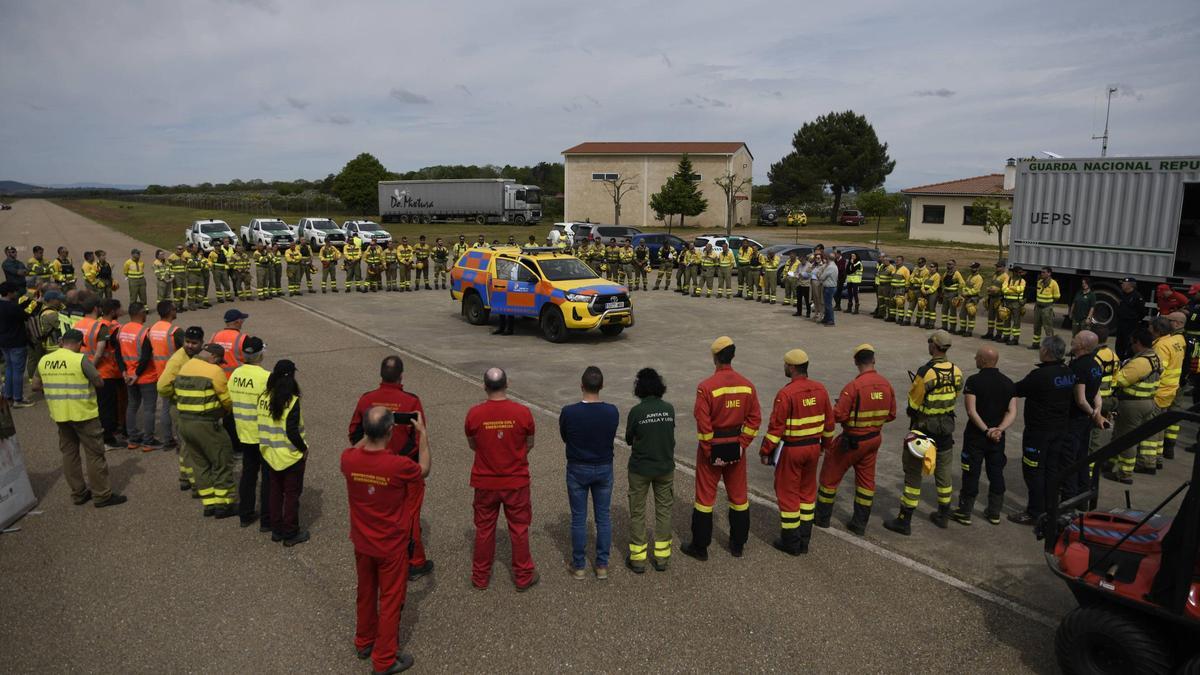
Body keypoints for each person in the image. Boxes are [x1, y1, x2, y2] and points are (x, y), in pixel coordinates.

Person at [342, 405, 429, 675]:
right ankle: (384, 659)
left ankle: (364, 640)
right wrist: (422, 435)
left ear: (366, 431)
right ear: (391, 431)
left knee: (366, 592)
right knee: (391, 600)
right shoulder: (399, 466)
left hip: (362, 540)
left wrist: (371, 431)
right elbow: (424, 469)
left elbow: (358, 446)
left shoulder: (348, 459)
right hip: (391, 544)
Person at [348, 356, 433, 579]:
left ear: (380, 375)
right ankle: (415, 561)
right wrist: (398, 459)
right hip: (404, 471)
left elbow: (354, 432)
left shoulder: (367, 400)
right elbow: (418, 438)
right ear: (401, 376)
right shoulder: (411, 401)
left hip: (372, 468)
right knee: (410, 515)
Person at [682, 336, 761, 560]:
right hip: (736, 449)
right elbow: (755, 419)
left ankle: (700, 547)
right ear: (732, 356)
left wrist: (710, 451)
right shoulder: (747, 386)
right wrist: (741, 445)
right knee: (738, 497)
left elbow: (703, 422)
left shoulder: (706, 387)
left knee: (705, 500)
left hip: (712, 451)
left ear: (715, 357)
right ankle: (737, 545)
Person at [33, 329, 127, 507]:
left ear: (62, 342)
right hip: (84, 414)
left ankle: (78, 493)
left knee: (70, 455)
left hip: (60, 415)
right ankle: (102, 495)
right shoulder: (79, 359)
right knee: (94, 455)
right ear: (77, 344)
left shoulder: (44, 360)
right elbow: (99, 381)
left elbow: (36, 386)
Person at [884, 330, 963, 535]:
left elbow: (913, 402)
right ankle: (943, 514)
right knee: (944, 473)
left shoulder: (926, 372)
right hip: (946, 428)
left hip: (924, 430)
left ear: (934, 346)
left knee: (913, 474)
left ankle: (905, 519)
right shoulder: (957, 371)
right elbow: (956, 393)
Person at [465, 368, 538, 591]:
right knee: (519, 528)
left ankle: (480, 577)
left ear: (484, 386)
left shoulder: (474, 414)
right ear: (508, 384)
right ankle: (523, 575)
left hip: (485, 481)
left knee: (484, 529)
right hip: (515, 480)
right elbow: (529, 443)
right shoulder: (523, 413)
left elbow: (473, 445)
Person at [757, 349, 834, 555]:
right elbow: (829, 424)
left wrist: (765, 451)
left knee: (788, 494)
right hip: (813, 448)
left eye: (785, 365)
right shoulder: (821, 389)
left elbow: (776, 429)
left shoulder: (786, 394)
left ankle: (791, 542)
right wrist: (824, 447)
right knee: (807, 494)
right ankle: (804, 540)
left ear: (791, 368)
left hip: (792, 451)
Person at [816, 344, 896, 535]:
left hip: (852, 441)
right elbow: (891, 414)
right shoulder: (886, 385)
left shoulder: (853, 387)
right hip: (874, 440)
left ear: (856, 362)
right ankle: (859, 523)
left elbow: (838, 416)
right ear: (873, 360)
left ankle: (822, 518)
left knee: (829, 477)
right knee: (866, 482)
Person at [559, 366, 619, 579]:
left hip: (577, 467)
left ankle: (579, 566)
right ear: (601, 386)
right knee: (603, 517)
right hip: (603, 466)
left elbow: (565, 435)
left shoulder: (569, 412)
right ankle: (602, 564)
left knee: (578, 517)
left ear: (581, 386)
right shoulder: (612, 411)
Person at [1009, 335, 1074, 525]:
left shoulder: (1040, 375)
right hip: (1059, 429)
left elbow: (1017, 389)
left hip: (1039, 432)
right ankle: (1050, 508)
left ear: (1046, 351)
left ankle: (1035, 511)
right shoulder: (1067, 372)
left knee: (1034, 470)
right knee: (1051, 470)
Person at [951, 346, 1017, 526]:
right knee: (996, 473)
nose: (975, 359)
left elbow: (971, 411)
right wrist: (999, 430)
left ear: (983, 360)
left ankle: (965, 512)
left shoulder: (974, 381)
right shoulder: (1008, 383)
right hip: (997, 438)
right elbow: (1012, 411)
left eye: (977, 357)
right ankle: (994, 512)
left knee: (971, 473)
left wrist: (986, 430)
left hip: (976, 437)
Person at [175, 342, 236, 518]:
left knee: (200, 464)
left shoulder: (185, 366)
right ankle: (224, 505)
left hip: (184, 423)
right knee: (222, 461)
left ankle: (208, 504)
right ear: (214, 357)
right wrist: (227, 411)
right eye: (218, 361)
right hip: (206, 424)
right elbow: (226, 399)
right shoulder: (214, 371)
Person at [624, 368, 675, 573]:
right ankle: (662, 559)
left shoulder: (637, 411)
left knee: (637, 512)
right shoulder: (669, 409)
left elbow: (629, 439)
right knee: (663, 511)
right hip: (665, 467)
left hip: (640, 469)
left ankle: (638, 560)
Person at [256, 359, 309, 545]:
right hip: (290, 456)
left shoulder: (263, 397)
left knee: (275, 494)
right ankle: (291, 533)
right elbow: (292, 431)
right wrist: (304, 449)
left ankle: (276, 530)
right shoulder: (292, 401)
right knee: (291, 496)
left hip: (269, 454)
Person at [1103, 328, 1161, 483]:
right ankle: (1111, 463)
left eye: (1132, 343)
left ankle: (1124, 474)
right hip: (1147, 402)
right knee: (1120, 435)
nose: (1131, 346)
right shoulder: (1154, 356)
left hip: (1133, 404)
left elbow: (1121, 380)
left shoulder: (1140, 363)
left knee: (1127, 440)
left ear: (1139, 343)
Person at [228, 337, 271, 530]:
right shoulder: (265, 377)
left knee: (248, 474)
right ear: (260, 354)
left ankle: (245, 514)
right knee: (268, 477)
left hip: (243, 432)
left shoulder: (235, 374)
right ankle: (267, 518)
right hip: (262, 433)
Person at [157, 325, 204, 491]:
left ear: (201, 343)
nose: (190, 345)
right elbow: (162, 387)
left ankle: (185, 477)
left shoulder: (191, 357)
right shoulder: (178, 360)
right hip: (180, 407)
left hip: (186, 407)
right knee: (188, 444)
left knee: (187, 444)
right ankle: (192, 480)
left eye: (194, 343)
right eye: (188, 342)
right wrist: (178, 394)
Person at [1062, 331, 1104, 501]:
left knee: (1069, 459)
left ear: (1082, 345)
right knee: (1082, 456)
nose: (1072, 340)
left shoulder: (1079, 366)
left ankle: (1068, 498)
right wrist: (1097, 411)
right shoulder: (1095, 365)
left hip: (1075, 418)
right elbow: (1096, 392)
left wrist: (1093, 414)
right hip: (1086, 419)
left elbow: (1080, 399)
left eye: (1076, 339)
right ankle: (1083, 495)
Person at [116, 302, 162, 450]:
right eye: (145, 312)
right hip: (145, 376)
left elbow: (118, 354)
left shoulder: (121, 330)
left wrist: (124, 371)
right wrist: (137, 374)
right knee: (149, 409)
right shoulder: (145, 332)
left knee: (132, 406)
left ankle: (133, 439)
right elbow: (146, 357)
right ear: (141, 313)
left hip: (128, 376)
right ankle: (148, 441)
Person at [1150, 314, 1187, 466]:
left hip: (1160, 390)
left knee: (1151, 429)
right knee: (1160, 427)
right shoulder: (1179, 341)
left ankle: (1149, 460)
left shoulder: (1161, 345)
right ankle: (1158, 456)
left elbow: (1159, 370)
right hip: (1171, 390)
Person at [148, 301, 182, 453]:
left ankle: (167, 438)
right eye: (175, 309)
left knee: (165, 408)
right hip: (175, 374)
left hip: (159, 373)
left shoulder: (152, 329)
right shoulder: (175, 331)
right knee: (176, 409)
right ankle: (176, 439)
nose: (176, 311)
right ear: (170, 311)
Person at [0, 282, 32, 407]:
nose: (15, 293)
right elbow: (25, 315)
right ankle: (18, 399)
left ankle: (8, 395)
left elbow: (19, 310)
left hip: (3, 342)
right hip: (16, 342)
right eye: (13, 291)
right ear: (9, 293)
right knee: (18, 371)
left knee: (9, 368)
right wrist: (35, 303)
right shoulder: (12, 307)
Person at [212, 308, 249, 378]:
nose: (243, 322)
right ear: (237, 322)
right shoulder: (243, 338)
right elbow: (250, 359)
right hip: (236, 378)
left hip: (218, 376)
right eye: (242, 320)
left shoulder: (215, 335)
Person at [1030, 267, 1061, 350]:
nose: (1042, 274)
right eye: (1041, 272)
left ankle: (1050, 347)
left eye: (1043, 272)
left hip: (1047, 308)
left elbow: (1057, 297)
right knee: (1036, 326)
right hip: (1038, 308)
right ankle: (1035, 344)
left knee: (1048, 328)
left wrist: (1048, 303)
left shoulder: (1053, 283)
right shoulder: (1039, 282)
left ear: (1049, 273)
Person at [1114, 277, 1144, 359]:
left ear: (1130, 285)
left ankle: (1127, 359)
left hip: (1130, 325)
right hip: (1121, 324)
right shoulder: (1122, 295)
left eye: (1123, 283)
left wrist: (1133, 320)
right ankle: (1119, 358)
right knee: (1119, 343)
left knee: (1128, 344)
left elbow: (1141, 312)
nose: (1122, 285)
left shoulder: (1137, 297)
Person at [982, 261, 1008, 341]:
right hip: (992, 298)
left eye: (999, 267)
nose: (997, 268)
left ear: (1003, 267)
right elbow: (991, 285)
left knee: (999, 318)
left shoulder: (1005, 277)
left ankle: (999, 334)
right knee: (991, 317)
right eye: (996, 266)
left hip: (999, 299)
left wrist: (998, 290)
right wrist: (990, 290)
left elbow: (1005, 288)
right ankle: (990, 333)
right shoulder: (995, 275)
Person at [958, 262, 984, 337]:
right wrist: (963, 291)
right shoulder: (970, 276)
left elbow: (976, 290)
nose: (972, 269)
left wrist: (966, 293)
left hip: (973, 298)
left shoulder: (979, 278)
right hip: (966, 298)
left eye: (974, 268)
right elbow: (965, 286)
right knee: (962, 314)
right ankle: (962, 329)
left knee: (971, 315)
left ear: (978, 268)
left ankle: (969, 331)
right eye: (972, 267)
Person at [818, 254, 839, 326]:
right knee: (827, 304)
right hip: (830, 287)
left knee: (828, 305)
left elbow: (822, 277)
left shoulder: (830, 267)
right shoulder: (834, 266)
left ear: (828, 259)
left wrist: (819, 275)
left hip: (829, 287)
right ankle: (826, 319)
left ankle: (831, 320)